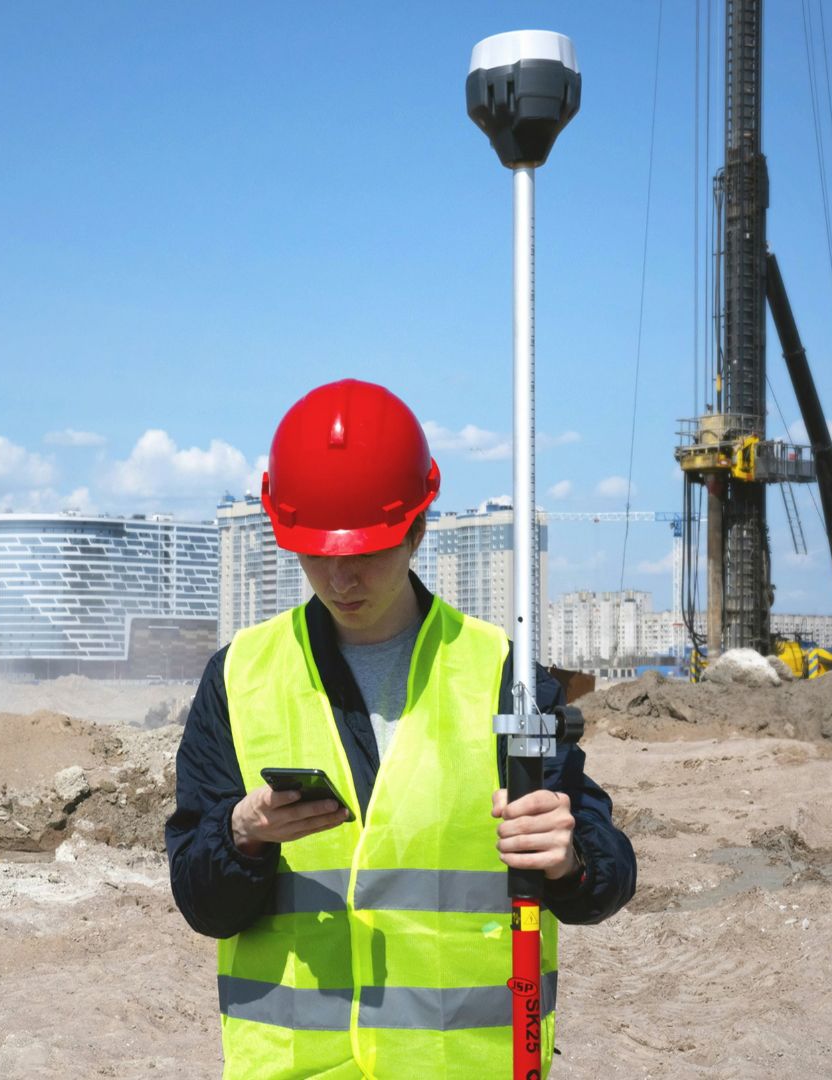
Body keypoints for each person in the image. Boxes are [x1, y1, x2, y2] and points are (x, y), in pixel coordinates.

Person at [166, 379, 635, 1078]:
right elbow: (202, 903)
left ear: (418, 528)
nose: (340, 577)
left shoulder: (503, 676)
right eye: (318, 553)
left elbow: (605, 878)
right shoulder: (240, 677)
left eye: (367, 551)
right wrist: (241, 835)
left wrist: (568, 858)